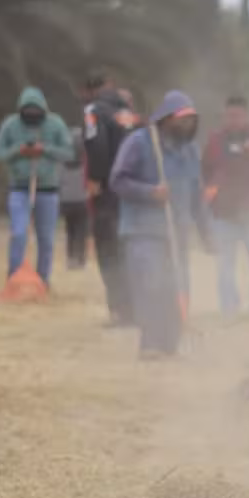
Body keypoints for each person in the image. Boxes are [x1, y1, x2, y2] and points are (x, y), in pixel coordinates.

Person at [110, 91, 213, 360]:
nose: (188, 125)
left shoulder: (191, 150)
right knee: (151, 285)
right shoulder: (138, 142)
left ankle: (170, 344)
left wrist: (207, 233)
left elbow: (196, 196)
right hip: (143, 231)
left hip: (176, 232)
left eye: (192, 120)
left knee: (176, 288)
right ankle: (150, 344)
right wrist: (150, 192)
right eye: (183, 119)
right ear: (166, 119)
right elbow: (118, 180)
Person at [203, 96, 249, 317]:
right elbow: (205, 171)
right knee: (225, 265)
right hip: (224, 213)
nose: (232, 120)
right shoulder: (215, 140)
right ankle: (229, 307)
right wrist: (210, 200)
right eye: (228, 116)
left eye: (237, 116)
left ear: (246, 115)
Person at [0, 87, 75, 287]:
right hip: (19, 188)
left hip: (47, 190)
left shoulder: (55, 124)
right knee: (19, 233)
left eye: (36, 111)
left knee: (46, 239)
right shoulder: (10, 125)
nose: (32, 115)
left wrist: (44, 149)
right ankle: (14, 278)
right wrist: (18, 151)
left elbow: (68, 153)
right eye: (27, 111)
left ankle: (43, 280)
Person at [83, 71, 141, 326]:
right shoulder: (130, 113)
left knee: (109, 250)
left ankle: (119, 311)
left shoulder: (93, 110)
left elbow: (96, 143)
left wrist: (95, 178)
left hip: (109, 190)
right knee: (132, 250)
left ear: (90, 91)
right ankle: (138, 309)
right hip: (135, 192)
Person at [59, 126, 89, 270]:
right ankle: (80, 259)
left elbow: (58, 181)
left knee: (70, 231)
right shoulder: (86, 162)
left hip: (66, 201)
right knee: (81, 231)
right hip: (82, 200)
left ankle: (71, 258)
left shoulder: (61, 161)